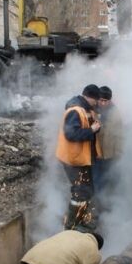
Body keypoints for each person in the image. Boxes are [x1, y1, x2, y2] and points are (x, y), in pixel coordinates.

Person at [55, 84, 102, 231]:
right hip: (73, 160)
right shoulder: (75, 111)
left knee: (87, 191)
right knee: (80, 193)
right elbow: (71, 135)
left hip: (81, 159)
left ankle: (84, 222)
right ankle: (71, 227)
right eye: (97, 100)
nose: (98, 103)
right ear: (90, 97)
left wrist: (95, 128)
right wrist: (91, 130)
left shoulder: (86, 110)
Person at [92, 86, 123, 198]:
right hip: (95, 152)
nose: (103, 103)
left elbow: (119, 134)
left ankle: (107, 201)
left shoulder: (115, 112)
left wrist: (119, 151)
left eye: (106, 101)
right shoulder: (93, 110)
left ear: (110, 100)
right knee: (96, 179)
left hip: (109, 153)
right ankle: (97, 202)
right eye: (101, 100)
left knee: (108, 177)